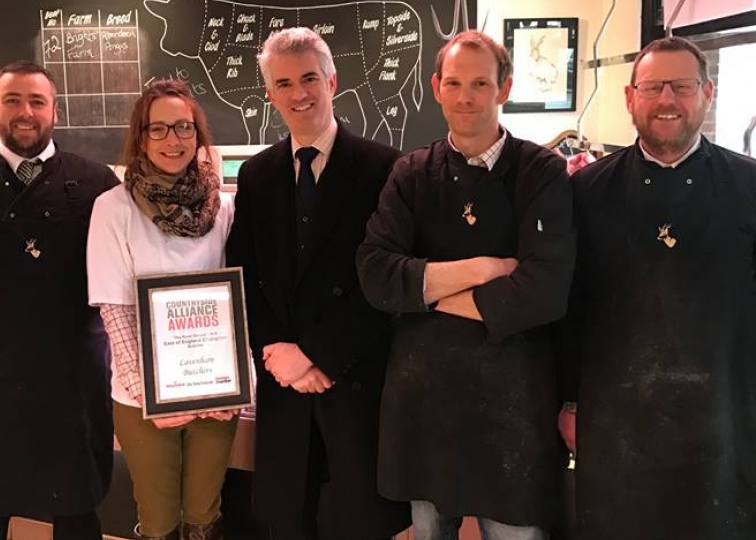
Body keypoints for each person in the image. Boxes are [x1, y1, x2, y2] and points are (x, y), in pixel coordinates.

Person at [356, 30, 575, 540]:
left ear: (505, 87)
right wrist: (482, 269)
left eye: (480, 83)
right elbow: (375, 273)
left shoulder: (542, 172)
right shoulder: (410, 173)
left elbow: (543, 292)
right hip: (424, 403)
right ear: (435, 86)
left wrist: (425, 293)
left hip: (514, 404)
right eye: (453, 83)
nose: (466, 97)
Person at [559, 36, 756, 540]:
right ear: (630, 98)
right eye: (652, 87)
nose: (667, 99)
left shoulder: (750, 186)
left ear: (707, 94)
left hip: (725, 417)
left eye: (682, 86)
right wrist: (569, 402)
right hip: (616, 420)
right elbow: (570, 309)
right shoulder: (583, 192)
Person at [225, 27, 410, 540]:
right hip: (286, 389)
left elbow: (387, 283)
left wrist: (319, 355)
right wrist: (280, 354)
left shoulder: (384, 168)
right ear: (270, 94)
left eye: (309, 78)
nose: (299, 93)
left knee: (360, 521)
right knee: (289, 520)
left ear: (332, 80)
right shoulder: (257, 174)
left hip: (353, 382)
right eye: (284, 83)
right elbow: (244, 274)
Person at [0, 60, 118, 540]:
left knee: (76, 515)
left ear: (55, 110)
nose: (25, 112)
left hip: (74, 382)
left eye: (37, 101)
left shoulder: (100, 186)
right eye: (12, 100)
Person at [86, 80, 238, 540]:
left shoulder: (222, 207)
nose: (173, 140)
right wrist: (153, 397)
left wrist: (234, 380)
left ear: (198, 134)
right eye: (159, 130)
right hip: (141, 400)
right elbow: (114, 310)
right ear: (141, 137)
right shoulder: (113, 208)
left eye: (183, 127)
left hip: (211, 392)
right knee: (158, 518)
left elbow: (239, 298)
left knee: (205, 512)